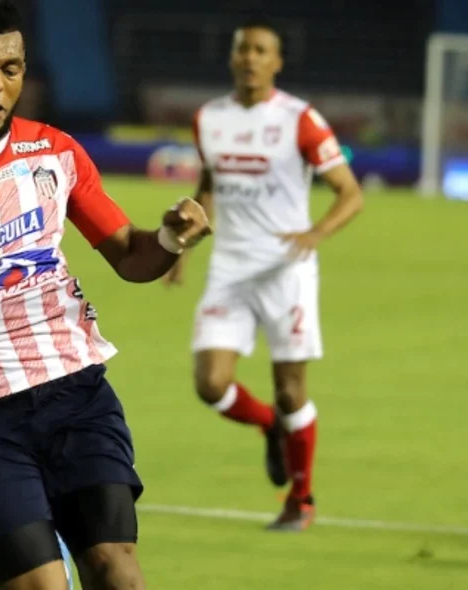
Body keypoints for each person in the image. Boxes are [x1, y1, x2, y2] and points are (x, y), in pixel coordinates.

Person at [0, 1, 212, 588]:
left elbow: (130, 254)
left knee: (118, 572)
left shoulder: (55, 151)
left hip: (76, 391)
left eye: (11, 68)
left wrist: (172, 240)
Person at [163, 19, 363, 531]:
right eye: (242, 50)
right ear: (232, 59)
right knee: (211, 384)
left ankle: (302, 500)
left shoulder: (301, 120)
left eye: (260, 50)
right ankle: (270, 426)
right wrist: (184, 246)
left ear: (276, 62)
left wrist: (314, 235)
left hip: (286, 271)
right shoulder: (209, 119)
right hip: (230, 267)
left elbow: (350, 191)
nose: (249, 58)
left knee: (292, 389)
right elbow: (208, 185)